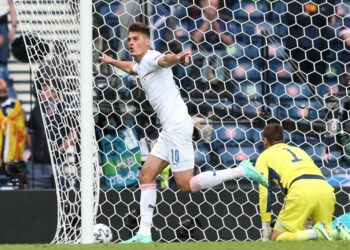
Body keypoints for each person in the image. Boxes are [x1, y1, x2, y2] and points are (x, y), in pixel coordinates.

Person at [99, 22, 268, 244]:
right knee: (146, 176)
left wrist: (178, 58)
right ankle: (144, 234)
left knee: (186, 185)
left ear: (147, 41)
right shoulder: (141, 65)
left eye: (136, 38)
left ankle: (241, 170)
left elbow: (164, 59)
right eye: (129, 39)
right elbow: (131, 67)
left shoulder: (152, 57)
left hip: (177, 127)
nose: (131, 42)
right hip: (169, 129)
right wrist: (112, 62)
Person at [256, 123, 350, 241]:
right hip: (325, 189)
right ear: (283, 138)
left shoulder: (263, 157)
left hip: (300, 191)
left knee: (277, 238)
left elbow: (264, 193)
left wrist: (266, 225)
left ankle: (316, 234)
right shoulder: (299, 151)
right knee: (326, 237)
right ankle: (338, 233)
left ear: (264, 140)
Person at [0, 77, 26, 182]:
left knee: (13, 190)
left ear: (7, 85)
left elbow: (22, 129)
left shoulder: (16, 106)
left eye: (2, 81)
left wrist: (6, 124)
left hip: (13, 156)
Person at [0, 0, 17, 98]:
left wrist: (14, 27)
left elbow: (11, 4)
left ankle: (12, 105)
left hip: (2, 24)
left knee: (2, 66)